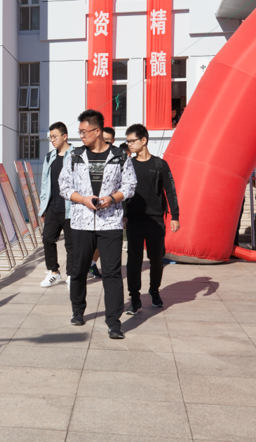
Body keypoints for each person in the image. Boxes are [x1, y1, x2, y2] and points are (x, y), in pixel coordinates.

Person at [58, 109, 136, 339]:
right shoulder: (74, 156)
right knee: (79, 269)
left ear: (98, 131)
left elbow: (130, 186)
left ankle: (114, 322)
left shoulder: (120, 156)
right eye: (80, 132)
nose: (81, 135)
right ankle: (77, 310)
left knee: (112, 273)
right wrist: (83, 199)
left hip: (110, 223)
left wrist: (111, 198)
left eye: (84, 131)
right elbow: (64, 186)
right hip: (81, 223)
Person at [123, 124, 180, 313]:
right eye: (127, 141)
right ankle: (134, 298)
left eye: (132, 141)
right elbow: (122, 191)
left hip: (156, 221)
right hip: (134, 220)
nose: (129, 144)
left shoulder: (160, 164)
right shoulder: (128, 165)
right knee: (134, 260)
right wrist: (123, 215)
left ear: (143, 140)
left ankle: (154, 290)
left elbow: (170, 190)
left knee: (156, 259)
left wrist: (175, 215)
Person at [39, 122, 73, 288]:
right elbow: (45, 183)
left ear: (64, 137)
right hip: (53, 207)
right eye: (50, 137)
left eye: (55, 137)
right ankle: (54, 272)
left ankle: (72, 275)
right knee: (47, 239)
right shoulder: (49, 157)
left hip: (71, 208)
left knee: (71, 244)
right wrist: (43, 207)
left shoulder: (76, 155)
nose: (52, 140)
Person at [87, 127, 116, 279]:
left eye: (108, 140)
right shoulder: (89, 157)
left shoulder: (119, 157)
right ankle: (86, 266)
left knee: (104, 245)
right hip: (89, 210)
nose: (104, 143)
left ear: (113, 141)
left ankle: (92, 264)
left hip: (111, 212)